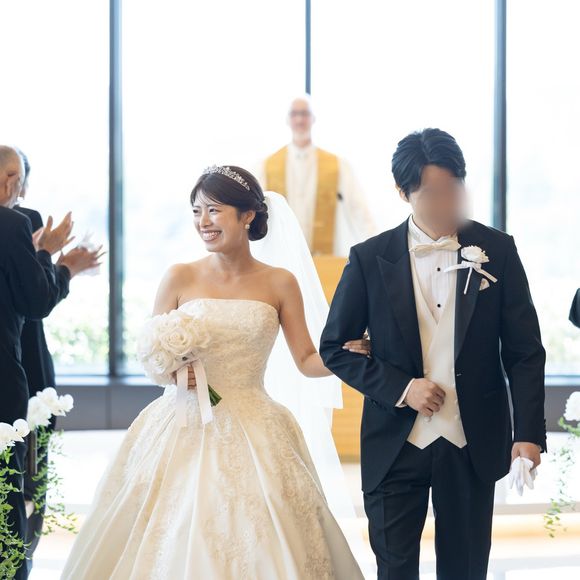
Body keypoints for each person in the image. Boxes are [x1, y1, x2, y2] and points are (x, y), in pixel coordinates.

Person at [61, 165, 369, 579]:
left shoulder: (280, 283)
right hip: (180, 422)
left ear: (248, 216)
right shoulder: (179, 276)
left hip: (256, 422)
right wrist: (171, 372)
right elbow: (152, 353)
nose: (203, 221)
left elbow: (306, 360)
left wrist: (346, 356)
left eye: (214, 210)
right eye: (196, 211)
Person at [320, 128, 546, 579]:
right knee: (395, 570)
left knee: (465, 569)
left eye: (453, 189)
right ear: (403, 192)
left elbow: (524, 351)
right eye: (433, 194)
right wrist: (402, 388)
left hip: (471, 441)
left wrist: (528, 433)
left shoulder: (498, 250)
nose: (447, 203)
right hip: (394, 443)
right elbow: (334, 348)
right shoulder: (369, 258)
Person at [14, 149, 103, 571]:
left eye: (16, 177)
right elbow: (36, 298)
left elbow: (34, 296)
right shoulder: (21, 224)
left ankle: (22, 557)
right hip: (21, 364)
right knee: (22, 476)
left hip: (28, 359)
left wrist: (61, 265)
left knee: (31, 472)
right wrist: (63, 266)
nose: (11, 185)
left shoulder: (26, 220)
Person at [0, 145, 74, 579]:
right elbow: (36, 302)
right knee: (6, 489)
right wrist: (49, 255)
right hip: (3, 380)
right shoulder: (12, 225)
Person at [256, 95, 376, 256]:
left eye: (304, 114)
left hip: (323, 257)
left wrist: (376, 249)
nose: (300, 120)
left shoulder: (337, 165)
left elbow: (359, 210)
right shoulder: (267, 166)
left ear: (313, 118)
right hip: (282, 254)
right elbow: (256, 210)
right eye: (294, 114)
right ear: (287, 120)